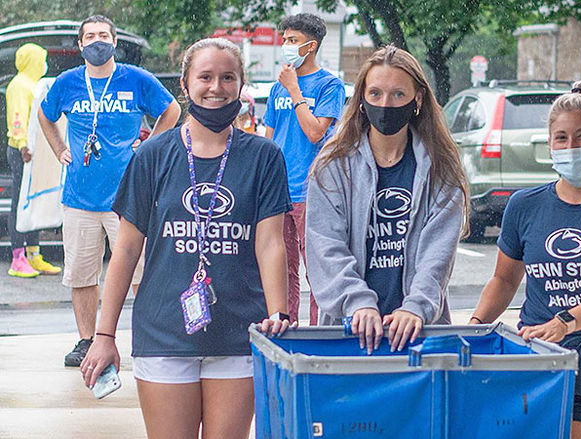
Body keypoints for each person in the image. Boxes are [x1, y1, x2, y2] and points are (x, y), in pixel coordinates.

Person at [80, 37, 293, 439]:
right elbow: (125, 250)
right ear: (185, 83)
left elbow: (270, 244)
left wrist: (278, 315)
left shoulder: (265, 157)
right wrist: (104, 335)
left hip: (238, 332)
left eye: (228, 77)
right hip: (164, 333)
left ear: (241, 85)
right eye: (206, 77)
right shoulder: (152, 155)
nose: (217, 87)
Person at [469, 80, 581, 439]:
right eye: (562, 138)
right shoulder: (524, 206)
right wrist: (476, 325)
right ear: (550, 143)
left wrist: (565, 321)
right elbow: (505, 280)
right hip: (546, 353)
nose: (572, 146)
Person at [38, 15, 181, 367]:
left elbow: (172, 110)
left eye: (103, 35)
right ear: (81, 44)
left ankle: (148, 337)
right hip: (80, 197)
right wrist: (59, 149)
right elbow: (45, 115)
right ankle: (87, 341)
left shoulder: (135, 79)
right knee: (82, 274)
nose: (97, 41)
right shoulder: (68, 82)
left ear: (114, 42)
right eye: (90, 36)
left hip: (129, 198)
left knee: (140, 273)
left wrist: (148, 147)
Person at [306, 45, 468, 354]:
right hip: (348, 333)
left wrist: (415, 308)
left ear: (417, 99)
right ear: (362, 100)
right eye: (376, 93)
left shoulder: (441, 168)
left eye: (398, 95)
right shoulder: (333, 165)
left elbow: (437, 256)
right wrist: (357, 304)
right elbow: (325, 246)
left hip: (419, 335)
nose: (385, 104)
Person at [264, 13, 345, 325]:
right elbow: (268, 141)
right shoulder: (276, 89)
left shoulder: (329, 85)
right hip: (278, 192)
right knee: (282, 270)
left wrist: (295, 89)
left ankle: (318, 334)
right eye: (284, 40)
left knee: (317, 270)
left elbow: (315, 132)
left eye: (292, 41)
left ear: (310, 46)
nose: (285, 46)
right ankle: (288, 329)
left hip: (312, 191)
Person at [5, 43, 62, 278]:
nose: (44, 63)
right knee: (20, 202)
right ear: (32, 60)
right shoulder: (19, 85)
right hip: (21, 150)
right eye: (42, 59)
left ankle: (34, 255)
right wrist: (22, 145)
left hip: (33, 150)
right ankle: (18, 258)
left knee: (33, 201)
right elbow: (17, 118)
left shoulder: (36, 84)